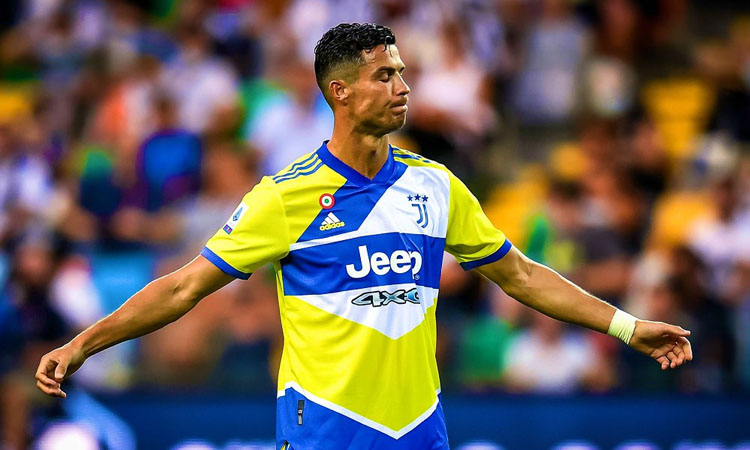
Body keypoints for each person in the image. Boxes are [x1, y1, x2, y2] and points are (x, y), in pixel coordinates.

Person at [36, 23, 693, 449]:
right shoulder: (284, 197)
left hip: (420, 429)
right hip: (327, 428)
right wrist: (83, 344)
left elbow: (519, 274)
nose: (403, 88)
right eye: (385, 75)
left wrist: (627, 326)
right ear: (341, 91)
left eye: (402, 73)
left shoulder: (437, 185)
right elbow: (183, 288)